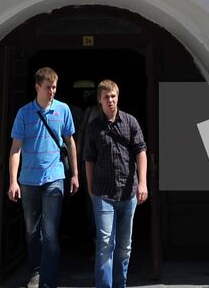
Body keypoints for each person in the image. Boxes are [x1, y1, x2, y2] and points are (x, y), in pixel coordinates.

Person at [9, 67, 78, 288]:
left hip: (54, 177)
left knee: (50, 231)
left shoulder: (63, 110)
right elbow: (15, 149)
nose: (52, 91)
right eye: (48, 87)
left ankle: (48, 279)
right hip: (28, 179)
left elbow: (70, 142)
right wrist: (12, 181)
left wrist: (75, 174)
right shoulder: (24, 113)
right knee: (31, 230)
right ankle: (36, 269)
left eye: (55, 87)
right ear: (37, 87)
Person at [82, 79, 148, 288]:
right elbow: (89, 159)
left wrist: (143, 183)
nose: (110, 100)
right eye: (106, 97)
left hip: (128, 194)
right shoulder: (94, 127)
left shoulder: (130, 122)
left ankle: (121, 284)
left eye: (113, 96)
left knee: (124, 247)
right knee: (104, 244)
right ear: (99, 101)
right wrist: (90, 188)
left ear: (117, 97)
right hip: (103, 194)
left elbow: (141, 152)